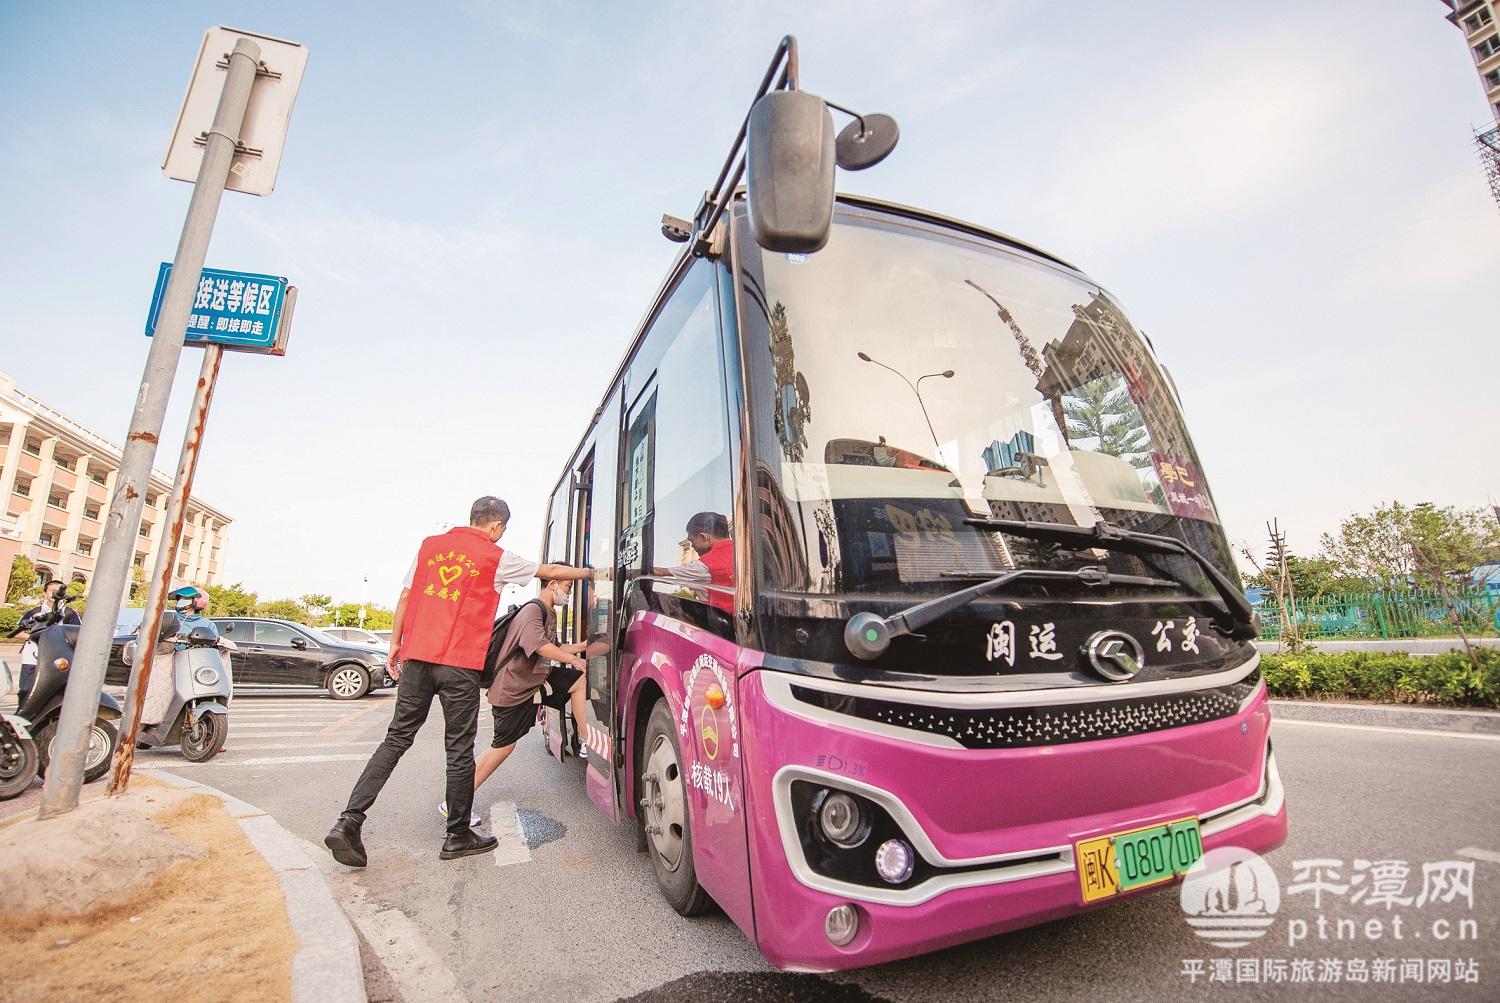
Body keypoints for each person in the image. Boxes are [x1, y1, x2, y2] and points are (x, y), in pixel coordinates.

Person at [325, 496, 593, 867]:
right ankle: (456, 835)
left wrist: (395, 644)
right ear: (496, 525)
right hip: (459, 664)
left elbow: (406, 596)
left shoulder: (429, 547)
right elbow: (547, 570)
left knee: (396, 739)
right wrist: (593, 573)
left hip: (417, 658)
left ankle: (349, 821)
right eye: (502, 529)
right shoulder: (495, 556)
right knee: (459, 748)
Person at [447, 575, 589, 820]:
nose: (569, 593)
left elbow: (555, 647)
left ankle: (586, 741)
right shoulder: (533, 610)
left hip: (533, 682)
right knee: (502, 747)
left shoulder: (548, 612)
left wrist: (585, 646)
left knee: (578, 682)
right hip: (512, 690)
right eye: (568, 587)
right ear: (552, 584)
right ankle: (454, 804)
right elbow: (539, 646)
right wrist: (574, 660)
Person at [8, 580, 79, 706]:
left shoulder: (69, 613)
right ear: (45, 594)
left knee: (56, 692)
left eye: (60, 591)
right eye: (53, 591)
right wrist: (36, 637)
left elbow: (78, 633)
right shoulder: (35, 612)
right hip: (33, 657)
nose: (56, 594)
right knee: (26, 690)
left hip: (58, 659)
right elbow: (17, 632)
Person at [654, 511, 734, 612]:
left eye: (692, 541)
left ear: (704, 537)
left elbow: (660, 572)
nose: (693, 546)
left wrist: (635, 570)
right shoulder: (744, 553)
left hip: (721, 619)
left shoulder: (704, 565)